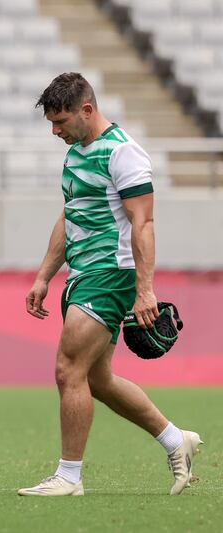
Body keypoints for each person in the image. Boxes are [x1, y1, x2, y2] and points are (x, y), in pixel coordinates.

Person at [18, 72, 201, 497]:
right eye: (51, 122)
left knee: (68, 369)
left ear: (87, 110)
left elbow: (144, 222)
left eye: (61, 121)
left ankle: (69, 477)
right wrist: (45, 274)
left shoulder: (123, 153)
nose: (54, 131)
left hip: (111, 274)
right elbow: (71, 215)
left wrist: (144, 289)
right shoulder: (77, 153)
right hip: (82, 275)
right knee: (96, 379)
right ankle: (177, 440)